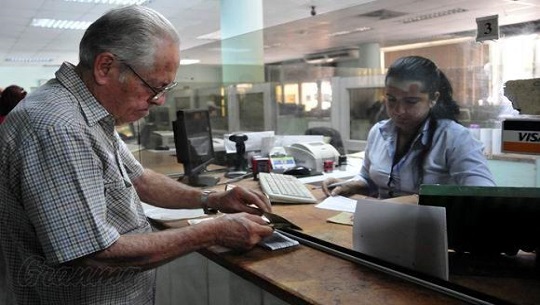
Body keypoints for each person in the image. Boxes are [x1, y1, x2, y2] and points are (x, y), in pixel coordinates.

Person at [0, 5, 273, 304]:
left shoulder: (89, 112)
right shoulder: (59, 127)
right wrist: (212, 233)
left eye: (166, 87)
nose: (159, 100)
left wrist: (212, 199)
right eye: (153, 86)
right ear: (106, 67)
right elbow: (95, 255)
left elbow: (139, 179)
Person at [322, 56, 496, 199]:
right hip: (380, 225)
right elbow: (369, 178)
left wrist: (412, 204)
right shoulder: (379, 132)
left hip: (429, 231)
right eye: (391, 100)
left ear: (433, 98)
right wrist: (352, 185)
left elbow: (483, 195)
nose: (399, 111)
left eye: (411, 102)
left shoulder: (454, 138)